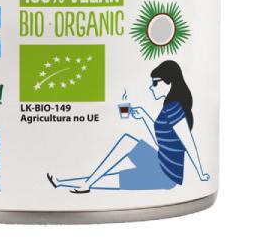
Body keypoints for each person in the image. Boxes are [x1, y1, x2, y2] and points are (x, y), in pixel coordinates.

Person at [47, 60, 211, 193]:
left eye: (155, 83)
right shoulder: (168, 107)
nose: (151, 87)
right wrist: (144, 116)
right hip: (159, 160)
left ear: (169, 82)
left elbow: (188, 143)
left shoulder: (174, 108)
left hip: (166, 176)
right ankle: (71, 183)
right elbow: (162, 141)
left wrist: (201, 173)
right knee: (127, 142)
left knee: (111, 179)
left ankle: (79, 184)